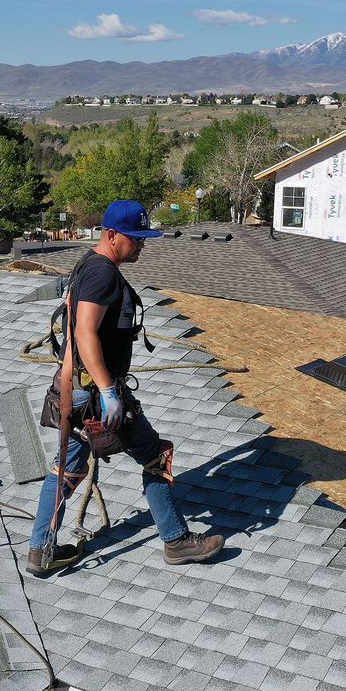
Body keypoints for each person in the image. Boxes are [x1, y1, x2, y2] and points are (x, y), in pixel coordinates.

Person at [27, 199, 224, 577]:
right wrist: (107, 391)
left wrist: (73, 388)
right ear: (112, 235)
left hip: (76, 392)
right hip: (95, 394)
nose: (142, 245)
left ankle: (41, 551)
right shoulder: (102, 274)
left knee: (64, 471)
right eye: (136, 239)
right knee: (154, 454)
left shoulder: (87, 265)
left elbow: (70, 326)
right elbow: (84, 333)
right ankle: (177, 541)